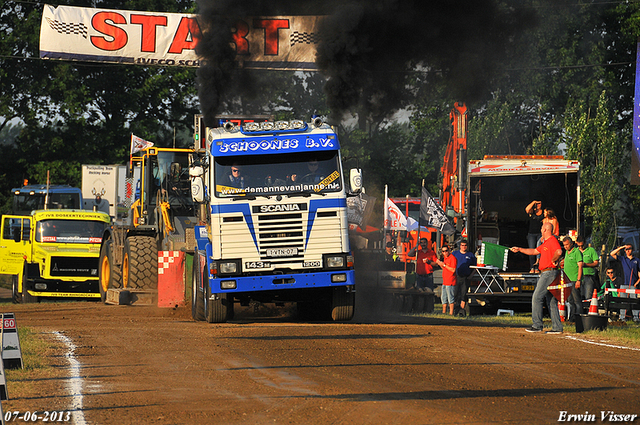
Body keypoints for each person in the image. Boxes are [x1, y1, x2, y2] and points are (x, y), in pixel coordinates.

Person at [511, 222, 564, 334]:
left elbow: (559, 252)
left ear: (545, 230)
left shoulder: (552, 241)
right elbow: (534, 251)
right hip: (548, 272)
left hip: (548, 272)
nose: (540, 230)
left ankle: (537, 325)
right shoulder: (546, 242)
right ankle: (557, 327)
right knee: (551, 300)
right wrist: (520, 249)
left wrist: (554, 260)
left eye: (541, 228)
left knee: (537, 297)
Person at [609, 244, 640, 321]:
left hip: (633, 285)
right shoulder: (622, 259)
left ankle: (636, 318)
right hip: (623, 284)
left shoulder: (637, 260)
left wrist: (636, 283)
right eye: (626, 249)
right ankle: (622, 318)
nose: (628, 250)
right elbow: (612, 254)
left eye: (629, 249)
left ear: (632, 249)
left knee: (634, 302)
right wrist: (621, 247)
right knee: (623, 302)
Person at [560, 236, 583, 321]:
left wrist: (578, 280)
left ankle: (579, 318)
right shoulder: (567, 252)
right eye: (564, 245)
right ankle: (572, 318)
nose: (565, 247)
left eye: (567, 245)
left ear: (571, 244)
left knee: (577, 301)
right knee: (570, 301)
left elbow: (580, 266)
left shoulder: (576, 252)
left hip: (574, 280)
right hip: (567, 281)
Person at [453, 239, 477, 316]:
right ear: (460, 246)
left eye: (465, 245)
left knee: (464, 294)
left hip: (466, 277)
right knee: (455, 294)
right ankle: (455, 310)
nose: (463, 247)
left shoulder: (470, 255)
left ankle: (462, 310)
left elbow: (475, 267)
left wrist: (471, 275)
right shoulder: (455, 254)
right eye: (462, 245)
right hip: (456, 277)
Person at [576, 235, 599, 301]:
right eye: (579, 246)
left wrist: (585, 264)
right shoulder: (576, 251)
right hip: (578, 277)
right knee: (579, 297)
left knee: (588, 297)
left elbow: (596, 263)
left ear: (585, 242)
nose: (580, 247)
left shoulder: (591, 250)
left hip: (588, 276)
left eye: (582, 245)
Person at [437, 246, 457, 315]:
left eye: (446, 251)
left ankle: (451, 313)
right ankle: (444, 312)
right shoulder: (445, 258)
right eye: (443, 251)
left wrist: (444, 265)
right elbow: (445, 268)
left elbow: (453, 270)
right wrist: (441, 264)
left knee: (450, 298)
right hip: (445, 281)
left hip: (450, 281)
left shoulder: (452, 258)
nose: (444, 253)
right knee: (444, 298)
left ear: (449, 251)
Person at [525, 200, 544, 273]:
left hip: (540, 233)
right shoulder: (532, 211)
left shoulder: (543, 212)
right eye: (537, 203)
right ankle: (532, 267)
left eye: (539, 203)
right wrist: (533, 202)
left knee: (539, 250)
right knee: (531, 250)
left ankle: (537, 267)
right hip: (531, 234)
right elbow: (527, 209)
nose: (538, 205)